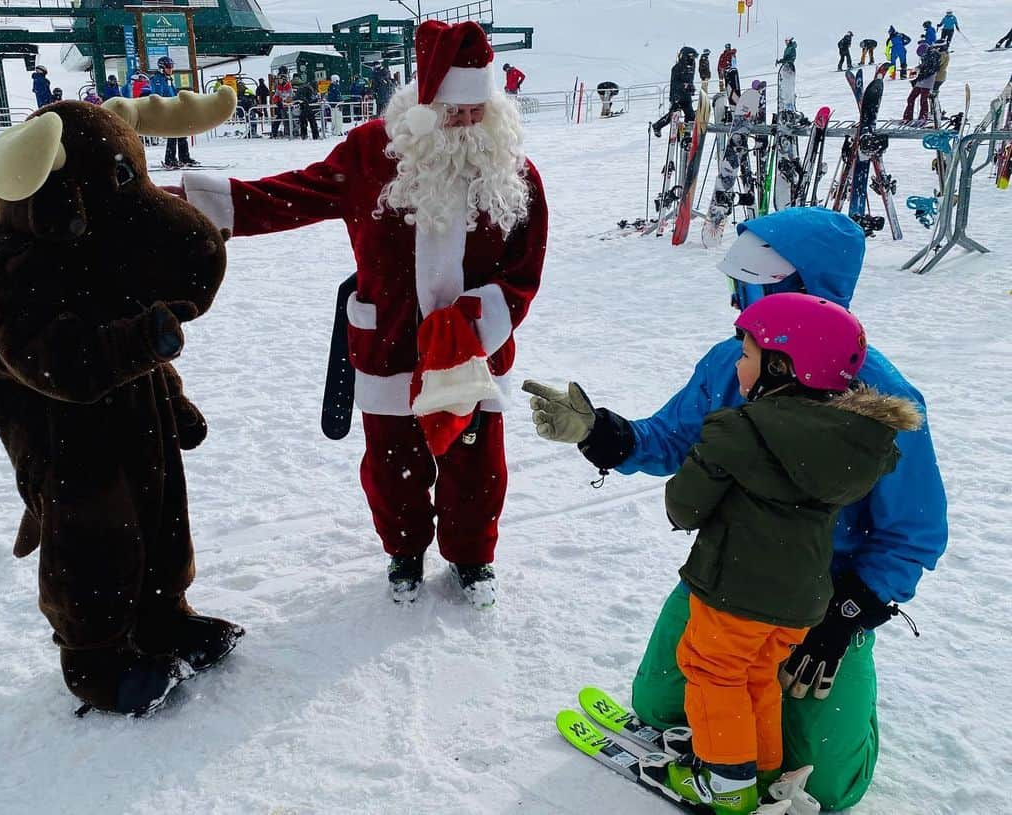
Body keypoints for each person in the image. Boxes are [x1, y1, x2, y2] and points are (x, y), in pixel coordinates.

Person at [520, 207, 947, 811]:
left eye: (750, 285)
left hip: (822, 596)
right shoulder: (734, 360)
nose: (736, 301)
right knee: (662, 708)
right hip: (730, 578)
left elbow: (914, 532)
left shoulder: (882, 403)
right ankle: (747, 737)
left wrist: (845, 615)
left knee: (827, 785)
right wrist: (605, 434)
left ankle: (837, 722)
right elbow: (673, 438)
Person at [177, 20, 547, 608]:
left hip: (475, 351)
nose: (468, 124)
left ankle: (473, 558)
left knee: (475, 466)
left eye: (478, 111)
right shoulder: (373, 153)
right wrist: (196, 206)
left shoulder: (513, 172)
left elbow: (525, 269)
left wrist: (480, 317)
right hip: (391, 344)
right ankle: (404, 552)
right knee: (393, 464)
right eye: (454, 112)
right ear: (425, 104)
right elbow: (292, 194)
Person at [646, 293, 918, 814]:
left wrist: (702, 473)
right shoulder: (855, 442)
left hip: (735, 590)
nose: (737, 366)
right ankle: (758, 767)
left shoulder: (738, 430)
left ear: (780, 364)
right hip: (804, 601)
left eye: (745, 355)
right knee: (756, 678)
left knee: (710, 671)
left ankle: (723, 780)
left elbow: (684, 508)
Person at [151, 57, 198, 168]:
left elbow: (173, 93)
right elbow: (158, 96)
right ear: (162, 68)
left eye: (172, 66)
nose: (171, 69)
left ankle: (184, 157)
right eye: (168, 67)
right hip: (167, 110)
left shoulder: (168, 79)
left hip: (174, 109)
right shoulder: (157, 79)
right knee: (172, 135)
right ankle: (170, 159)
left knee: (182, 134)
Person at [652, 48, 697, 137]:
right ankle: (657, 126)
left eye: (694, 57)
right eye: (691, 57)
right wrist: (684, 85)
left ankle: (685, 134)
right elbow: (674, 83)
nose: (693, 59)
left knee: (691, 115)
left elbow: (690, 79)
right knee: (673, 115)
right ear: (685, 56)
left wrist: (691, 87)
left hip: (686, 96)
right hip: (677, 96)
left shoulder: (692, 66)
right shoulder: (676, 68)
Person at [904, 44, 941, 123]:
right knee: (911, 98)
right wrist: (917, 68)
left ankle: (923, 117)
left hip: (928, 81)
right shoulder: (927, 56)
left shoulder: (933, 56)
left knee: (923, 99)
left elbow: (930, 70)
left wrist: (918, 77)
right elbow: (924, 66)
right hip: (921, 80)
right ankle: (908, 116)